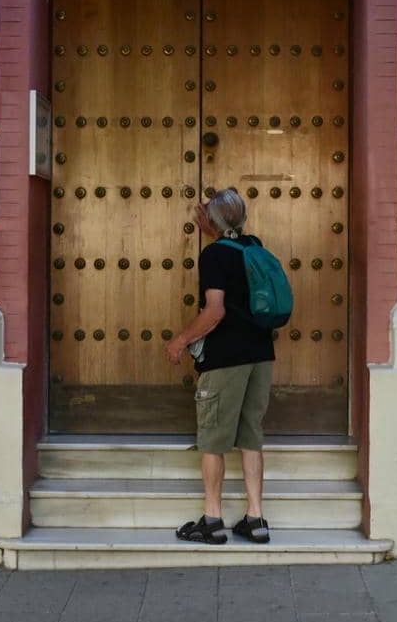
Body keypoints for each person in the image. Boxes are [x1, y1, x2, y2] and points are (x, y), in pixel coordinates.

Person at [165, 188, 274, 545]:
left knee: (213, 439)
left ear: (211, 221)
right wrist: (218, 220)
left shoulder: (214, 256)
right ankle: (255, 519)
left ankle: (212, 519)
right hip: (260, 355)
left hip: (226, 358)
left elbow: (215, 311)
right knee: (251, 437)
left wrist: (180, 340)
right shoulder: (255, 246)